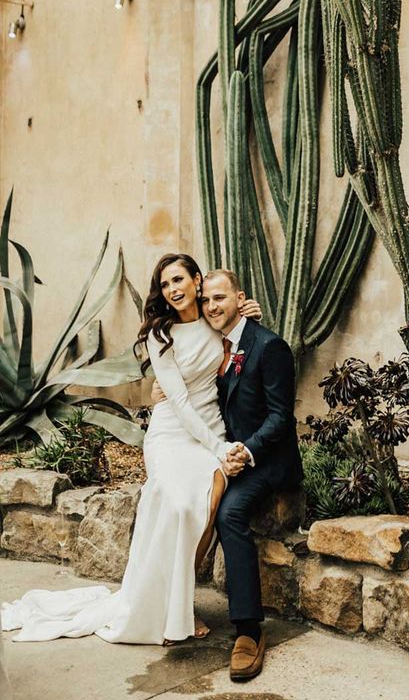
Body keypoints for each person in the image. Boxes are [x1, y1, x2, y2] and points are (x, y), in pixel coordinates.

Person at [1, 254, 262, 648]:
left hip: (212, 430)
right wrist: (220, 447)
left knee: (206, 512)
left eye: (179, 279)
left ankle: (180, 602)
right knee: (175, 505)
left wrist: (250, 313)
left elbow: (240, 335)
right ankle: (167, 608)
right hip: (174, 433)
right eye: (164, 284)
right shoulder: (160, 335)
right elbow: (177, 401)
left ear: (197, 280)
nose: (172, 289)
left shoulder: (213, 319)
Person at [159, 267, 302, 680]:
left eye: (219, 298)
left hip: (267, 457)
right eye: (206, 300)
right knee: (188, 500)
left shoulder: (269, 346)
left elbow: (281, 418)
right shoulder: (212, 339)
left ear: (240, 299)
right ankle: (172, 604)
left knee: (229, 513)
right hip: (223, 452)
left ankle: (248, 631)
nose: (211, 306)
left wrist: (246, 451)